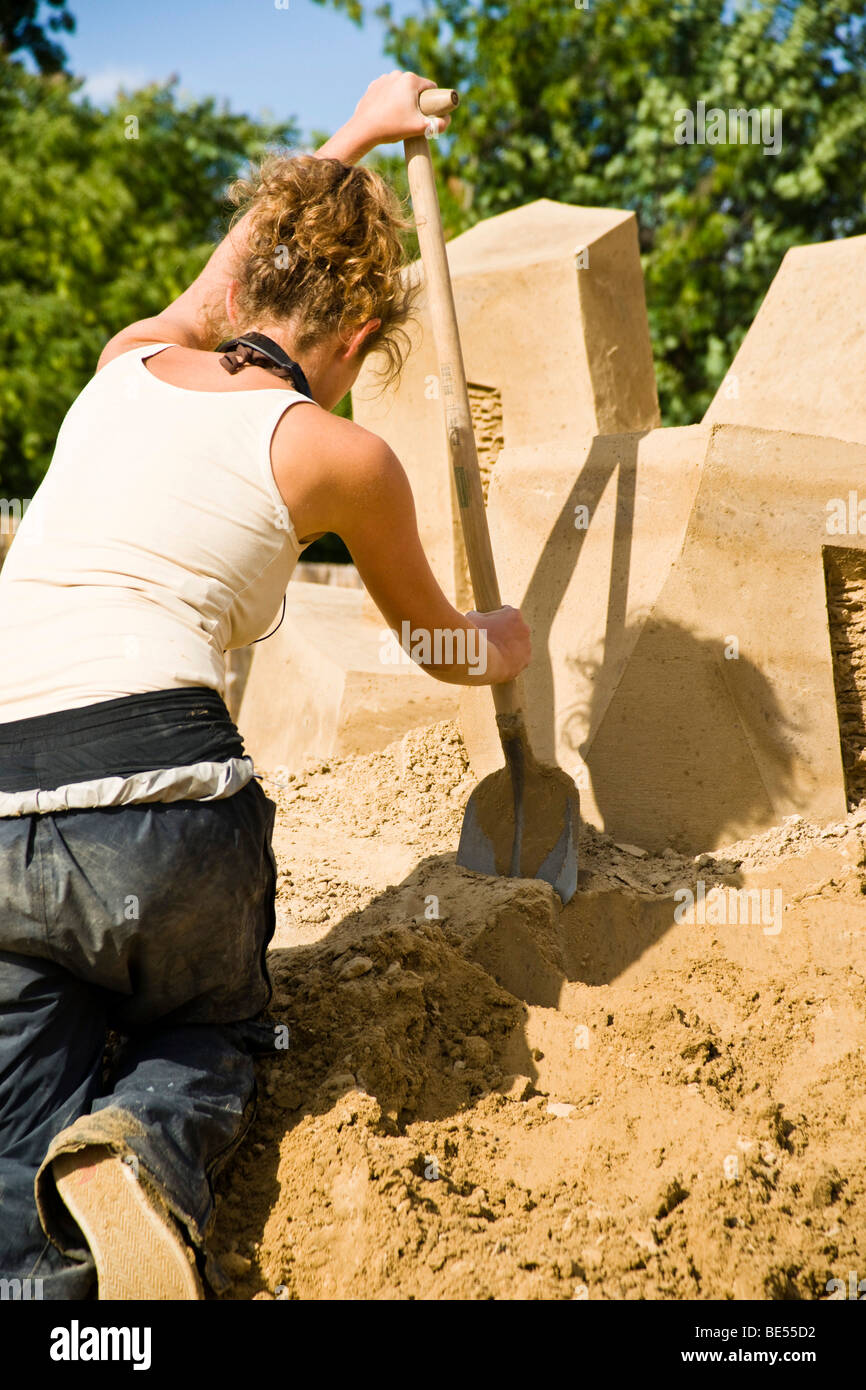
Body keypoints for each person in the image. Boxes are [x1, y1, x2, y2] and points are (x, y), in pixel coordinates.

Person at [0, 71, 531, 1300]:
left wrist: (348, 135)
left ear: (243, 289)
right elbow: (439, 648)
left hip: (0, 804)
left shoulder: (122, 360)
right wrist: (501, 638)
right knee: (218, 1026)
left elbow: (216, 284)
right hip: (163, 806)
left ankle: (49, 1291)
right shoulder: (336, 452)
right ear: (354, 341)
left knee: (18, 1134)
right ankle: (144, 1151)